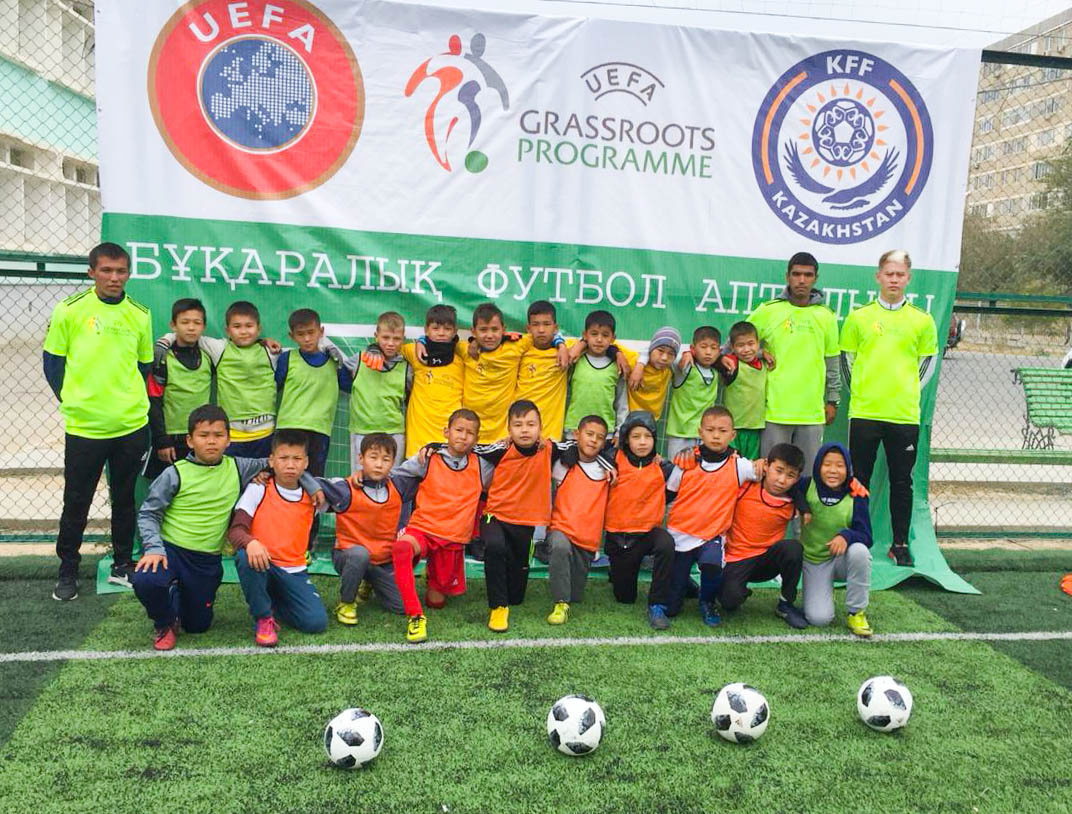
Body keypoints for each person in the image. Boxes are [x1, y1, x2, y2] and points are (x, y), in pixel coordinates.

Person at [131, 404, 321, 651]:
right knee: (146, 579)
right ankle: (165, 623)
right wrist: (154, 548)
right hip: (171, 551)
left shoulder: (238, 467)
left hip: (206, 561)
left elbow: (283, 462)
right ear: (190, 440)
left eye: (218, 435)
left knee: (198, 626)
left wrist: (312, 484)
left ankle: (176, 595)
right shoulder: (174, 473)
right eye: (203, 435)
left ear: (229, 440)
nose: (211, 441)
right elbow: (149, 512)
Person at [43, 241, 153, 600]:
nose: (114, 277)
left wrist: (123, 401)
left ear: (129, 274)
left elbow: (143, 366)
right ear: (92, 272)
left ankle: (122, 564)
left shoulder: (140, 314)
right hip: (85, 428)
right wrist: (76, 402)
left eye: (121, 271)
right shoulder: (69, 310)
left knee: (124, 499)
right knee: (77, 500)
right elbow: (53, 364)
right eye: (106, 270)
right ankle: (67, 571)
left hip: (130, 426)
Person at [840, 249, 938, 567]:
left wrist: (905, 390)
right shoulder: (859, 317)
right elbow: (846, 360)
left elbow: (927, 363)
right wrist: (863, 393)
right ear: (878, 276)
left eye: (900, 274)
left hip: (903, 414)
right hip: (865, 412)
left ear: (908, 278)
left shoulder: (922, 320)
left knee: (902, 481)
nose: (894, 279)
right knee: (859, 479)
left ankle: (899, 544)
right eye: (889, 274)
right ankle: (858, 540)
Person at [389, 409, 494, 642]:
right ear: (446, 431)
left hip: (453, 538)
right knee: (401, 548)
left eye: (470, 433)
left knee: (436, 602)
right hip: (423, 529)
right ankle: (416, 617)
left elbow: (508, 468)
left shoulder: (482, 466)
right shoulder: (428, 458)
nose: (463, 436)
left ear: (477, 439)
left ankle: (431, 576)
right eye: (458, 430)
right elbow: (393, 477)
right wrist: (363, 479)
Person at [229, 429, 329, 647]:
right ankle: (263, 617)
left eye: (297, 459)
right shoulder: (259, 487)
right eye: (283, 458)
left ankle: (273, 602)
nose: (290, 465)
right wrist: (251, 542)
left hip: (294, 571)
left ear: (306, 463)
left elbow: (350, 492)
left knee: (316, 623)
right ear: (271, 461)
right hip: (263, 564)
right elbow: (236, 531)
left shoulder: (315, 495)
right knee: (245, 556)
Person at [664, 406, 762, 626]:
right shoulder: (686, 462)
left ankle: (707, 601)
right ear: (700, 433)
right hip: (680, 534)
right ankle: (683, 583)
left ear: (732, 435)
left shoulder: (739, 465)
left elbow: (766, 472)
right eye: (710, 430)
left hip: (712, 535)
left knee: (712, 564)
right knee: (671, 608)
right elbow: (668, 493)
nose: (716, 436)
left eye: (722, 431)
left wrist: (763, 463)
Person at [747, 252, 840, 471]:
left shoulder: (826, 315)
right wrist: (759, 352)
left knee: (806, 476)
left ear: (816, 278)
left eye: (808, 275)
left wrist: (833, 400)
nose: (801, 280)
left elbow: (832, 361)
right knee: (772, 474)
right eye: (796, 274)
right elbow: (736, 343)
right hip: (774, 410)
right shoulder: (768, 310)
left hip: (812, 412)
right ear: (787, 276)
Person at [154, 300, 283, 458]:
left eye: (249, 326)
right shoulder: (219, 348)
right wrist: (166, 339)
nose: (243, 331)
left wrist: (265, 340)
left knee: (262, 474)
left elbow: (302, 351)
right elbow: (188, 334)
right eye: (237, 326)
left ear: (258, 329)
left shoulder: (271, 352)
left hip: (265, 433)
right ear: (227, 330)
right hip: (231, 436)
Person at [479, 400, 558, 632]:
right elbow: (466, 447)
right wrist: (432, 446)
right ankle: (498, 607)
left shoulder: (549, 449)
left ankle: (509, 596)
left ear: (540, 428)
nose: (525, 430)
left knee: (517, 596)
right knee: (494, 546)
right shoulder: (500, 450)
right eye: (518, 425)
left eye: (531, 424)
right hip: (496, 515)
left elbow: (582, 445)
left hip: (525, 522)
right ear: (509, 429)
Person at [320, 433, 406, 624]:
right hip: (348, 555)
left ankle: (368, 581)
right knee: (360, 555)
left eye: (386, 459)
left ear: (393, 463)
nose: (379, 464)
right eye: (373, 457)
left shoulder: (398, 486)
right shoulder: (345, 488)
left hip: (381, 561)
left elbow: (421, 472)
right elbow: (311, 479)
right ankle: (346, 603)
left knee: (401, 607)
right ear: (361, 458)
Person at [719, 442, 808, 629]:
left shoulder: (794, 500)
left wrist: (852, 483)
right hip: (736, 558)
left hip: (767, 562)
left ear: (797, 479)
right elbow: (725, 465)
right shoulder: (746, 485)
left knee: (793, 548)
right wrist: (752, 463)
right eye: (778, 471)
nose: (782, 480)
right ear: (766, 465)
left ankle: (785, 604)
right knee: (729, 602)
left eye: (790, 475)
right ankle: (740, 590)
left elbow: (825, 485)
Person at [604, 411, 675, 629]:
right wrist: (607, 458)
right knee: (625, 598)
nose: (642, 442)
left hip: (647, 535)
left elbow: (678, 487)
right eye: (636, 436)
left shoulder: (663, 467)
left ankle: (657, 604)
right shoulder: (612, 460)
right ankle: (617, 571)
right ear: (626, 439)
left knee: (666, 543)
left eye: (647, 436)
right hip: (620, 539)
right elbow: (586, 451)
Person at [798, 443, 874, 636]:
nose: (833, 470)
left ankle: (856, 612)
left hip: (841, 559)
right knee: (819, 619)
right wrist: (803, 508)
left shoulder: (856, 494)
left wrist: (846, 536)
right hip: (815, 561)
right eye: (827, 464)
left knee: (860, 551)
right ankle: (824, 591)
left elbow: (866, 535)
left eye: (840, 465)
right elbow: (788, 488)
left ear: (848, 469)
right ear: (817, 466)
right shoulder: (806, 485)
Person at [546, 414, 615, 624]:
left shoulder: (608, 470)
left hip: (586, 540)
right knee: (559, 546)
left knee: (576, 595)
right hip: (561, 529)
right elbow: (543, 450)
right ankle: (560, 604)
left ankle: (567, 593)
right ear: (577, 434)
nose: (593, 440)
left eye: (599, 437)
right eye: (589, 434)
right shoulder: (563, 464)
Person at [274, 308, 346, 478]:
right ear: (292, 336)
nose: (306, 339)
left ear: (321, 331)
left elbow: (348, 386)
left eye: (311, 332)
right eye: (300, 334)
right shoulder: (287, 359)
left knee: (314, 479)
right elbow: (272, 388)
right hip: (288, 427)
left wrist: (341, 364)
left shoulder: (333, 361)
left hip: (319, 429)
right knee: (285, 477)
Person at [146, 298, 211, 481]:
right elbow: (153, 401)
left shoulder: (209, 355)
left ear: (204, 327)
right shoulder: (162, 359)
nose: (191, 328)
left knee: (200, 488)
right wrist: (162, 440)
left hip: (201, 438)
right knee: (168, 490)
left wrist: (263, 342)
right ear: (173, 325)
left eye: (197, 323)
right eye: (185, 322)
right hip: (171, 441)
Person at [399, 304, 465, 457]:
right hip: (418, 440)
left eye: (447, 329)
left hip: (449, 440)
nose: (441, 333)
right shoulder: (416, 353)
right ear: (426, 330)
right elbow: (390, 346)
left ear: (455, 331)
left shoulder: (463, 358)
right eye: (435, 328)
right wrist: (421, 341)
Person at [347, 312, 410, 470]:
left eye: (396, 339)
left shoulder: (407, 367)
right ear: (376, 336)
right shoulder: (359, 360)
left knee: (392, 479)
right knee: (360, 479)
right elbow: (336, 376)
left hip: (394, 432)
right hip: (362, 430)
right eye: (385, 338)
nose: (391, 343)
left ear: (403, 339)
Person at [563, 311, 637, 438]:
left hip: (605, 433)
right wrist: (581, 345)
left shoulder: (618, 365)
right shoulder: (575, 359)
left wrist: (620, 431)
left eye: (605, 335)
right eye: (594, 334)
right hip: (574, 430)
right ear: (585, 335)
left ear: (613, 338)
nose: (599, 339)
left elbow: (622, 402)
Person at [514, 301, 572, 441]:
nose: (541, 330)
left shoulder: (567, 351)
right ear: (528, 328)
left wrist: (562, 345)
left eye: (546, 324)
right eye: (536, 324)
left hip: (550, 436)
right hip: (520, 432)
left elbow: (590, 340)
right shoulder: (520, 350)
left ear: (555, 327)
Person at [664, 326, 722, 460]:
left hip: (705, 434)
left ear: (719, 351)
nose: (708, 352)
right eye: (703, 347)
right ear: (693, 348)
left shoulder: (717, 370)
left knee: (701, 471)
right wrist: (686, 353)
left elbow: (735, 348)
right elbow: (666, 353)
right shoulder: (685, 367)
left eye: (713, 348)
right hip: (680, 434)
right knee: (676, 470)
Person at [720, 321, 769, 460]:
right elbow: (714, 358)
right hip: (733, 429)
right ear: (733, 347)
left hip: (756, 428)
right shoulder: (731, 363)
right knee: (731, 465)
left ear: (758, 344)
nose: (746, 349)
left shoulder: (764, 364)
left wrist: (762, 353)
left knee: (751, 466)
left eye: (751, 344)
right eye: (740, 345)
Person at [625, 327, 680, 420]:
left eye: (671, 354)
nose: (664, 358)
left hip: (652, 421)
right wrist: (640, 365)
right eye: (660, 350)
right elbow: (611, 343)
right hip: (628, 419)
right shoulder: (634, 361)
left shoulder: (669, 369)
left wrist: (688, 353)